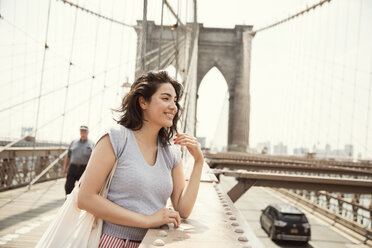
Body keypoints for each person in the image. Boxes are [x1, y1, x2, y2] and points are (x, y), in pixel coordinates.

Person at [77, 71, 204, 247]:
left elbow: (183, 209)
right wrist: (146, 220)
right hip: (115, 242)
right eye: (166, 98)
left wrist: (199, 162)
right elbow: (86, 198)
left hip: (154, 243)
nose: (173, 106)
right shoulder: (116, 138)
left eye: (174, 100)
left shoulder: (172, 152)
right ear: (143, 101)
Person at [63, 125, 94, 195]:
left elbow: (94, 159)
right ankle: (68, 202)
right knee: (68, 187)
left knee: (83, 188)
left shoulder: (92, 144)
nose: (83, 132)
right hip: (73, 167)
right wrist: (64, 169)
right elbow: (68, 156)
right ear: (80, 132)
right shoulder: (73, 142)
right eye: (81, 131)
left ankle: (79, 203)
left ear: (88, 132)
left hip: (84, 168)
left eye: (85, 131)